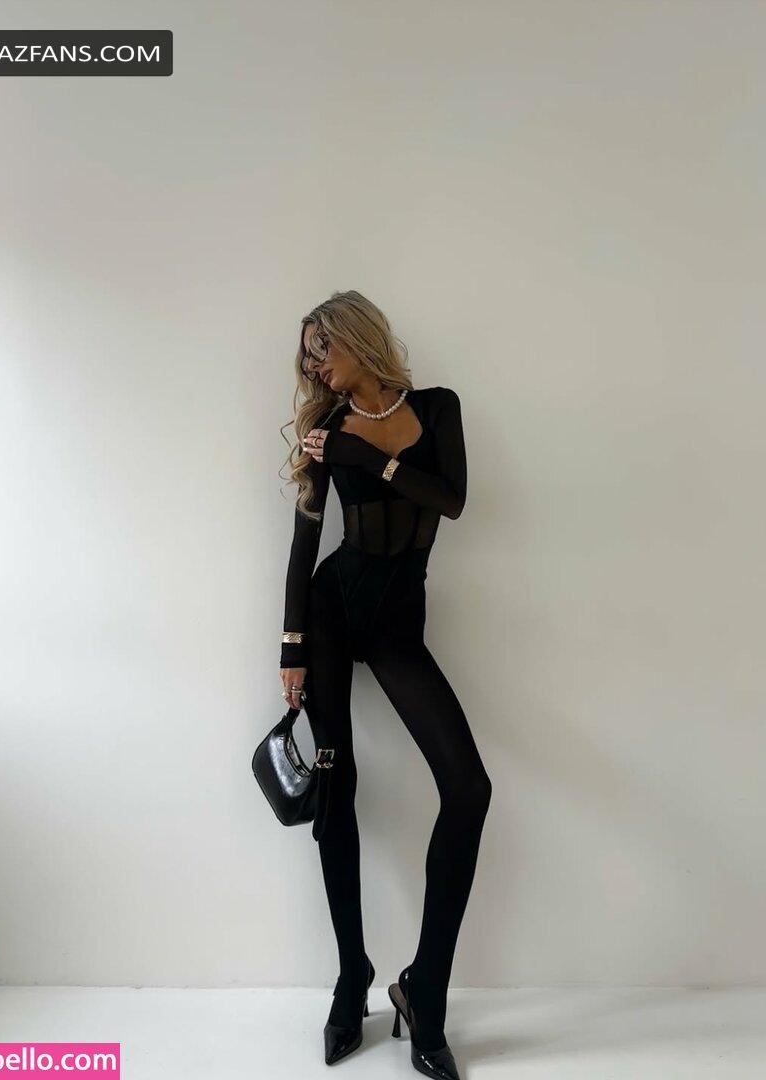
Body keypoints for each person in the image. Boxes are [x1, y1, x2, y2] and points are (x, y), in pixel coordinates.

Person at [278, 290, 492, 1078]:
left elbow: (452, 501)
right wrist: (291, 647)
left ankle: (423, 991)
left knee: (468, 789)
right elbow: (304, 544)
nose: (314, 366)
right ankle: (351, 976)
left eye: (321, 349)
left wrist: (371, 460)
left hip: (399, 628)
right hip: (332, 617)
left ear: (358, 340)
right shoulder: (325, 432)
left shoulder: (437, 408)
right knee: (337, 790)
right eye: (307, 355)